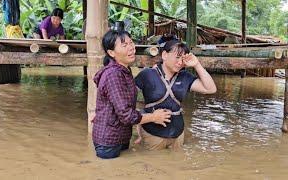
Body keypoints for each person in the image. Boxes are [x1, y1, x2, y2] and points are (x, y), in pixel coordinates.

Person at [92, 30, 172, 159]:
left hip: (120, 136)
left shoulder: (124, 70)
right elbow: (126, 115)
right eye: (124, 45)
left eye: (131, 42)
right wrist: (153, 117)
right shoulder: (114, 74)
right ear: (111, 52)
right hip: (108, 141)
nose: (131, 48)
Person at [134, 40, 217, 150]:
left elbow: (210, 89)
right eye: (177, 57)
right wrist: (139, 126)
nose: (180, 62)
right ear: (164, 55)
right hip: (152, 134)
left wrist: (197, 64)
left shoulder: (185, 77)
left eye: (183, 59)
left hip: (177, 134)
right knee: (152, 164)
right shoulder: (147, 74)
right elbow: (127, 100)